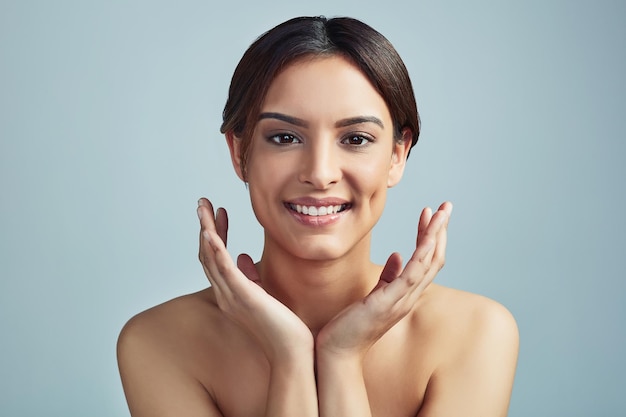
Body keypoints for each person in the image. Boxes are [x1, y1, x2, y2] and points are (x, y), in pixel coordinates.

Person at [117, 16, 519, 417]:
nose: (320, 172)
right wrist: (289, 355)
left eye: (355, 139)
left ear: (397, 155)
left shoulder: (475, 335)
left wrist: (341, 357)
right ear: (239, 151)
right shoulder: (158, 343)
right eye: (285, 137)